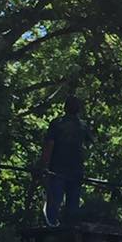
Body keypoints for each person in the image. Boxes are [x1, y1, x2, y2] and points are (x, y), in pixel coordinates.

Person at [39, 95, 94, 227]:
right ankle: (70, 229)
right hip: (76, 170)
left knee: (54, 201)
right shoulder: (83, 126)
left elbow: (49, 145)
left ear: (65, 108)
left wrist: (43, 165)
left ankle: (52, 227)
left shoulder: (57, 123)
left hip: (57, 169)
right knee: (72, 204)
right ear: (78, 109)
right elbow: (90, 146)